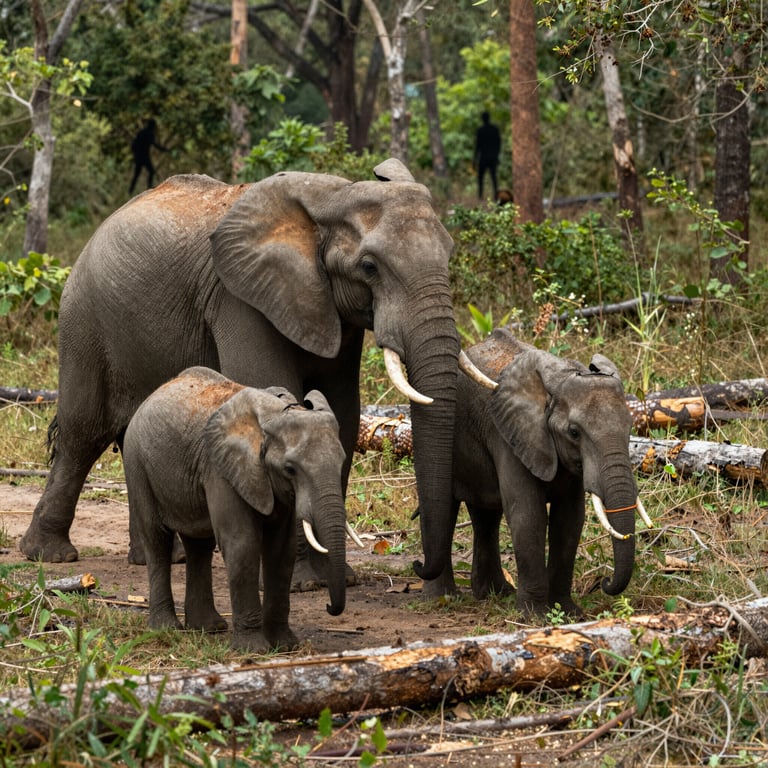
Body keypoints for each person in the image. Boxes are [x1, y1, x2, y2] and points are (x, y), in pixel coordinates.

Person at [129, 118, 168, 194]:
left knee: (138, 174)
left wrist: (135, 154)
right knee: (150, 172)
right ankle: (148, 187)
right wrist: (163, 149)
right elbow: (155, 144)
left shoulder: (142, 132)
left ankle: (131, 190)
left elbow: (133, 144)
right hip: (143, 156)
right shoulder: (149, 134)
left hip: (140, 156)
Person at [473, 111, 501, 202]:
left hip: (484, 158)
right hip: (491, 157)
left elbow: (477, 146)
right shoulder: (494, 129)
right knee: (493, 178)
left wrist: (475, 159)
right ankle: (494, 196)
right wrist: (497, 156)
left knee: (482, 178)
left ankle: (481, 196)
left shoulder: (480, 130)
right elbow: (498, 144)